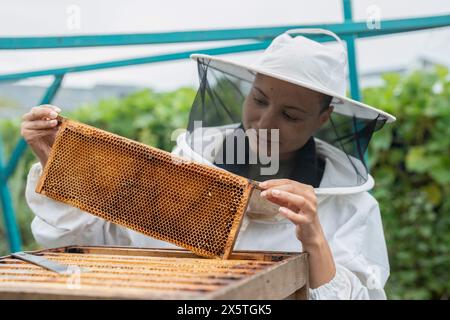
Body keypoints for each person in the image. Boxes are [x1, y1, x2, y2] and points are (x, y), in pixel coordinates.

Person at [21, 29, 395, 299]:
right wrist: (56, 161)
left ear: (324, 118)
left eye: (291, 115)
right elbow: (92, 242)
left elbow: (360, 295)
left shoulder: (351, 207)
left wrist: (314, 238)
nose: (264, 124)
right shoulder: (182, 168)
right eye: (259, 100)